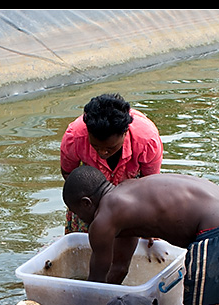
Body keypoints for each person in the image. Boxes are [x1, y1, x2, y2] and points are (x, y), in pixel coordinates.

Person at [63, 167, 219, 305]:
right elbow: (119, 268)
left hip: (218, 231)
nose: (79, 219)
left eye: (76, 213)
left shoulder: (103, 220)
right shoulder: (125, 196)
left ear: (86, 203)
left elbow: (95, 284)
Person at [60, 93, 163, 234]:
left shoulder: (147, 141)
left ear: (125, 133)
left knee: (135, 234)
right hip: (91, 194)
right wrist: (93, 206)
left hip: (134, 192)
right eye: (96, 146)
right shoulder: (74, 137)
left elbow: (151, 184)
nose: (102, 153)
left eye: (110, 148)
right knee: (85, 239)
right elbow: (68, 173)